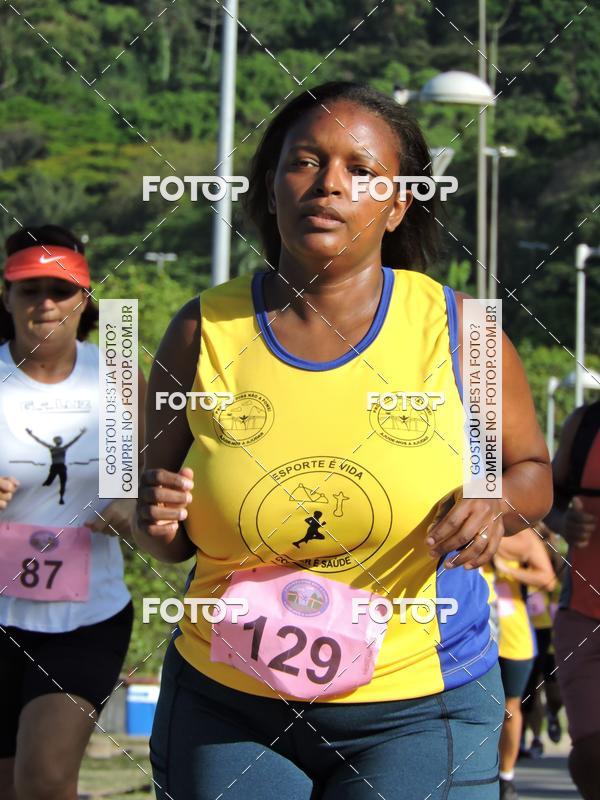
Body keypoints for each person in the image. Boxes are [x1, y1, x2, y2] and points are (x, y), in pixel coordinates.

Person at [135, 81, 553, 800]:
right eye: (303, 161)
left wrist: (494, 505)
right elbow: (143, 506)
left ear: (398, 205)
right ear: (270, 188)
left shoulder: (465, 328)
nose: (328, 184)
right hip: (228, 700)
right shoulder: (199, 327)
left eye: (361, 170)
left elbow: (530, 471)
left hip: (423, 704)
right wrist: (156, 519)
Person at [0, 225, 144, 800]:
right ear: (5, 295)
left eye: (60, 290)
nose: (46, 303)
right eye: (30, 289)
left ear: (85, 299)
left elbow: (141, 477)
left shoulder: (115, 369)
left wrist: (128, 505)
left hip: (87, 618)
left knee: (45, 780)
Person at [547, 401, 600, 800]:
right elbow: (545, 495)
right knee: (591, 754)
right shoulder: (585, 423)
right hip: (584, 616)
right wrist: (564, 522)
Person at [486, 528, 556, 799]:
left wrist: (508, 568)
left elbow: (547, 579)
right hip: (471, 637)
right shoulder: (469, 522)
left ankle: (506, 777)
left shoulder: (521, 535)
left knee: (510, 707)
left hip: (514, 639)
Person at [521, 523, 564, 758]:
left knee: (555, 694)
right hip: (527, 629)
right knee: (531, 691)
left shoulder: (552, 557)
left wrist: (546, 537)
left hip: (552, 633)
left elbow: (556, 574)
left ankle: (553, 713)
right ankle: (532, 739)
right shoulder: (516, 549)